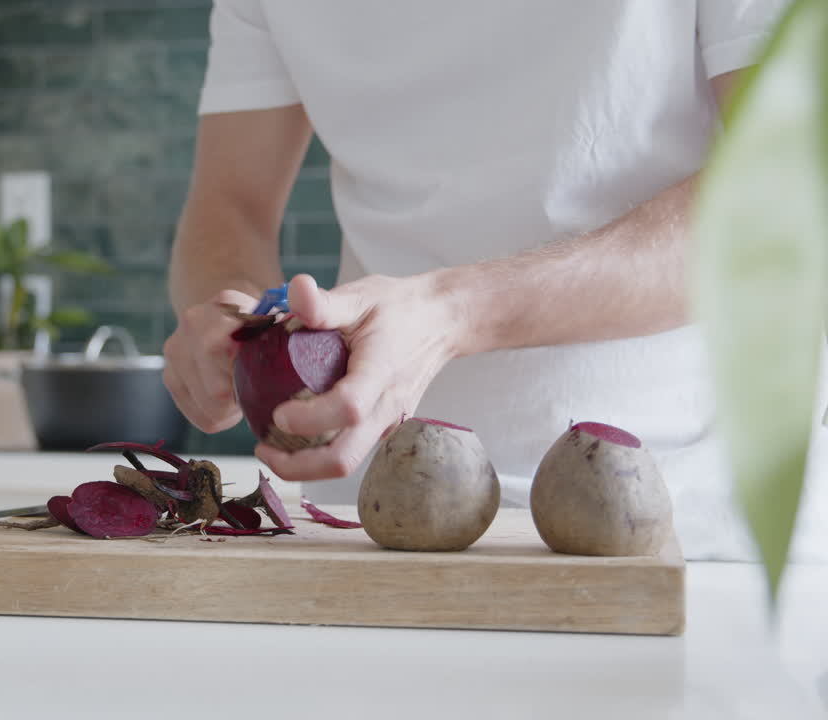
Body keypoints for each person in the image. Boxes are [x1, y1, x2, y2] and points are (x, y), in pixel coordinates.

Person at [162, 0, 826, 561]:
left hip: (688, 523)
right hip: (374, 525)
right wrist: (231, 307)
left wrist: (451, 314)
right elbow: (230, 203)